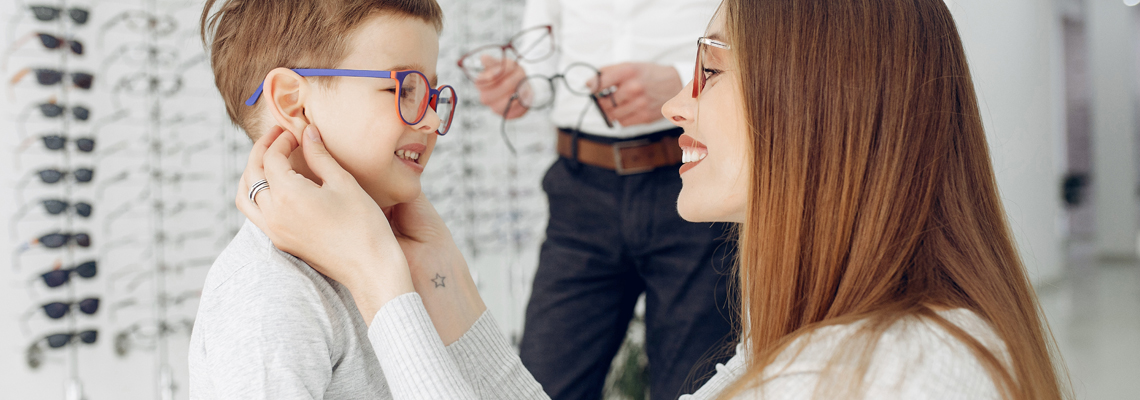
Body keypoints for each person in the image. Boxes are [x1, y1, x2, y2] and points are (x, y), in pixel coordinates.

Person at [236, 0, 1069, 399]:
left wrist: (383, 282)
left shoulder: (887, 374)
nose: (680, 107)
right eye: (400, 88)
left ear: (817, 105)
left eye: (710, 70)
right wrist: (438, 278)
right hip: (583, 183)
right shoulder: (792, 357)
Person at [187, 0, 459, 398]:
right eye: (403, 89)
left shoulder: (400, 257)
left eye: (431, 95)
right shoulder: (269, 292)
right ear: (292, 102)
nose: (432, 120)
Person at [468, 0, 735, 398]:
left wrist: (686, 78)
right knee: (541, 386)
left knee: (697, 389)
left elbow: (763, 38)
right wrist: (520, 84)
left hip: (692, 174)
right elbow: (542, 52)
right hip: (580, 192)